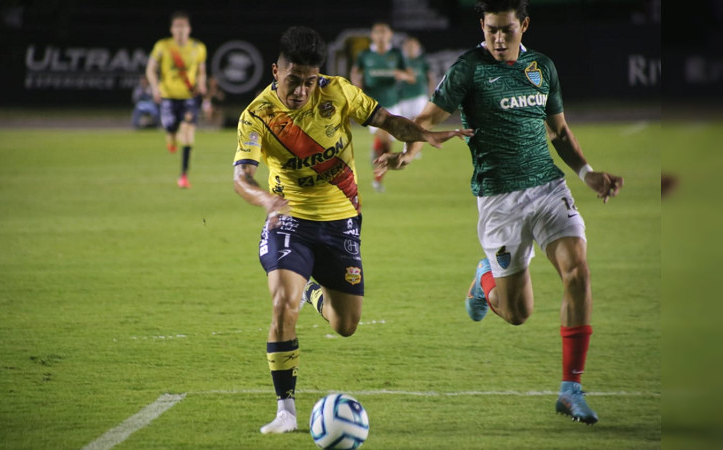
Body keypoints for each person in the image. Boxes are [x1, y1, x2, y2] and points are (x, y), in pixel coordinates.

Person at [375, 0, 623, 425]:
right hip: (499, 200)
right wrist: (407, 155)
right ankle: (484, 278)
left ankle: (570, 389)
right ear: (482, 26)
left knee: (578, 271)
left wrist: (587, 173)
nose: (499, 38)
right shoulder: (469, 68)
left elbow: (559, 131)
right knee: (517, 314)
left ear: (524, 25)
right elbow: (427, 117)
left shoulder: (542, 67)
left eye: (507, 29)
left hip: (547, 188)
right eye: (491, 29)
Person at [233, 26, 469, 435]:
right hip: (288, 222)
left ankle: (310, 290)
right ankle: (285, 410)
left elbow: (388, 120)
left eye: (310, 81)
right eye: (293, 81)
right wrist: (266, 201)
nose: (302, 91)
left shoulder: (338, 92)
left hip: (341, 221)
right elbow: (242, 176)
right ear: (276, 71)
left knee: (346, 325)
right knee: (281, 305)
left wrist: (421, 135)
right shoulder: (257, 115)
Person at [350, 22, 414, 193]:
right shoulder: (365, 55)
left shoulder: (396, 54)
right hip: (373, 107)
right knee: (385, 139)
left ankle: (377, 171)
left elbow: (411, 77)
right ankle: (378, 176)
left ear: (390, 35)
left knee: (387, 146)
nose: (381, 36)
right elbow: (355, 72)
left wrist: (402, 75)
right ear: (372, 35)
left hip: (393, 104)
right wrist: (356, 82)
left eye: (384, 32)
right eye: (377, 32)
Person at [146, 10, 207, 189]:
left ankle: (183, 175)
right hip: (168, 96)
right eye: (177, 26)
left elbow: (202, 71)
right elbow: (150, 69)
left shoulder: (198, 48)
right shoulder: (163, 46)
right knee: (171, 127)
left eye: (184, 26)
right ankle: (171, 136)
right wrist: (155, 88)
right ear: (172, 29)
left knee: (188, 132)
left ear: (189, 29)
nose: (181, 30)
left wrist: (202, 85)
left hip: (189, 97)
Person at [398, 36, 435, 122]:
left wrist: (432, 96)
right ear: (404, 48)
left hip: (420, 97)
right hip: (404, 98)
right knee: (405, 125)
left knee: (419, 123)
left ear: (418, 47)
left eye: (413, 46)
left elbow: (430, 79)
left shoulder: (422, 61)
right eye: (408, 46)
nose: (411, 48)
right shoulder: (401, 62)